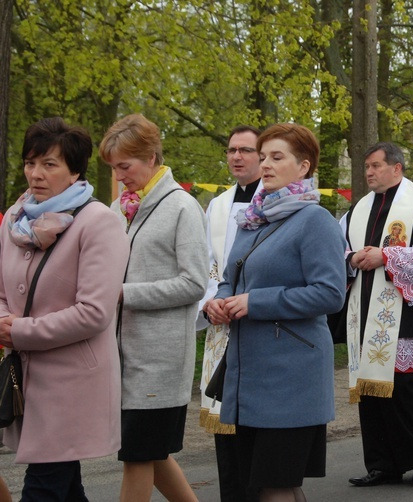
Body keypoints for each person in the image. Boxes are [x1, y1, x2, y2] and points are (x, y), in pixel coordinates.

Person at [203, 123, 347, 502]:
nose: (265, 164)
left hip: (291, 376)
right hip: (249, 376)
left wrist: (256, 302)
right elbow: (232, 276)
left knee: (275, 483)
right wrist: (221, 299)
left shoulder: (316, 221)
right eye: (263, 156)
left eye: (276, 157)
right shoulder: (255, 218)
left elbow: (331, 294)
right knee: (267, 483)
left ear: (304, 167)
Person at [0, 117, 129, 500]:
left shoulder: (99, 222)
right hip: (27, 378)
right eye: (29, 163)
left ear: (75, 171)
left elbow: (93, 312)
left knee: (43, 489)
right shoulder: (15, 218)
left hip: (72, 384)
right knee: (63, 488)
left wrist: (18, 330)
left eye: (49, 164)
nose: (35, 174)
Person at [334, 141, 413, 487]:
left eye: (375, 166)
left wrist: (386, 257)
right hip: (365, 307)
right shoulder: (358, 208)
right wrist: (351, 258)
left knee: (407, 388)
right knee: (370, 389)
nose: (369, 173)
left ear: (397, 168)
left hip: (406, 307)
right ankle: (382, 464)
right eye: (366, 167)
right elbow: (339, 244)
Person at [100, 113, 209, 502]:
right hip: (121, 356)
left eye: (124, 166)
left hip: (159, 362)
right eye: (113, 168)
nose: (119, 175)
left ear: (150, 156)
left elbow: (194, 283)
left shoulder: (183, 207)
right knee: (150, 454)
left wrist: (124, 293)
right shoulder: (118, 209)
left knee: (137, 456)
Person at [195, 124, 264, 501]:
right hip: (221, 322)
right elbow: (209, 263)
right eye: (231, 150)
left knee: (256, 429)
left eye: (245, 150)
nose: (236, 156)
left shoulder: (279, 201)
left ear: (262, 156)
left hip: (259, 322)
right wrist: (210, 300)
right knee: (225, 430)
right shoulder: (218, 205)